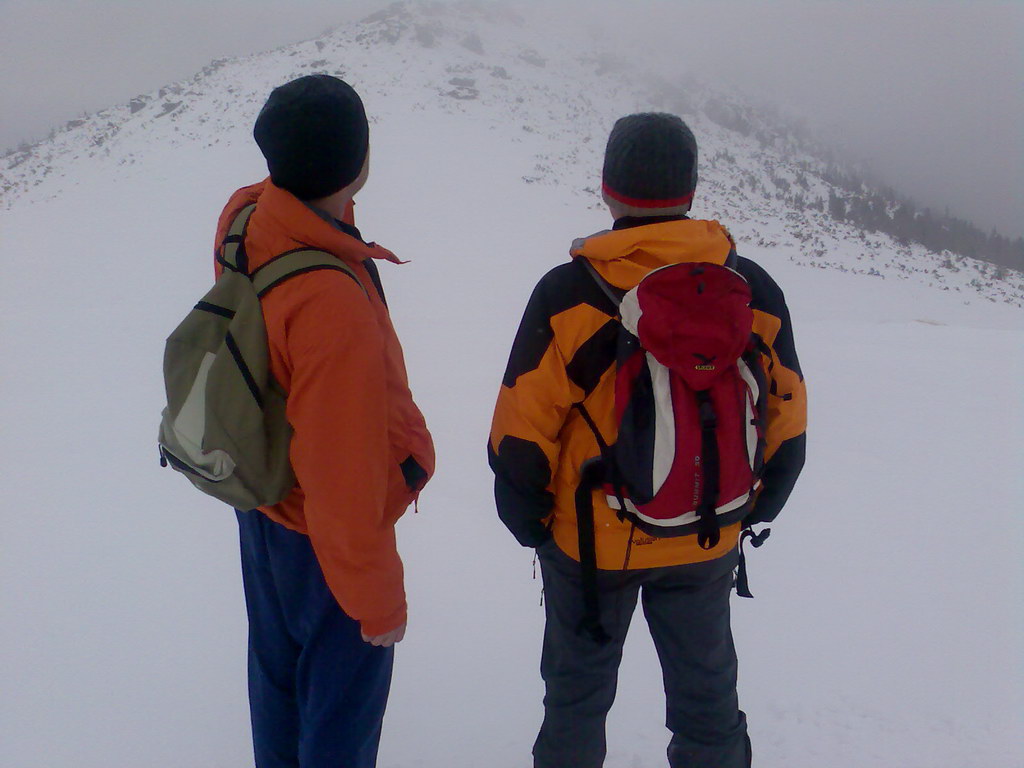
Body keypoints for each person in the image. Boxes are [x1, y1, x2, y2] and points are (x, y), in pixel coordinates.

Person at [488, 112, 806, 767]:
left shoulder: (570, 293)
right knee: (708, 698)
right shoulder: (750, 290)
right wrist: (754, 508)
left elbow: (521, 434)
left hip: (590, 547)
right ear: (690, 190)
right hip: (707, 530)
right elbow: (787, 422)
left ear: (608, 188)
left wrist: (533, 526)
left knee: (576, 700)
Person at [214, 75, 434, 767]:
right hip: (321, 533)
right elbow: (341, 476)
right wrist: (378, 601)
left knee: (279, 682)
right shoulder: (329, 304)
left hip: (264, 503)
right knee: (338, 720)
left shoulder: (249, 218)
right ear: (359, 161)